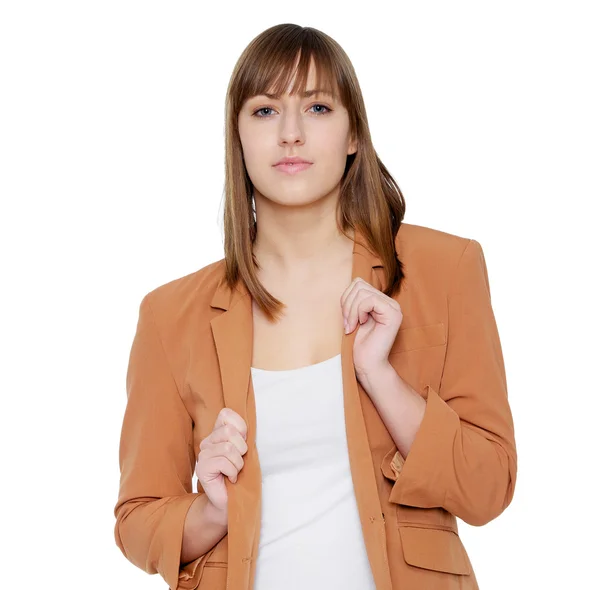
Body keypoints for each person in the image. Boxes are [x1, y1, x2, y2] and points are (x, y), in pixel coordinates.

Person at [113, 23, 517, 590]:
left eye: (319, 107)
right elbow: (136, 518)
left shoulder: (445, 269)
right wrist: (211, 511)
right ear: (238, 137)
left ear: (354, 133)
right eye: (265, 111)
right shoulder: (169, 315)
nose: (292, 134)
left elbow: (488, 487)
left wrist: (383, 380)